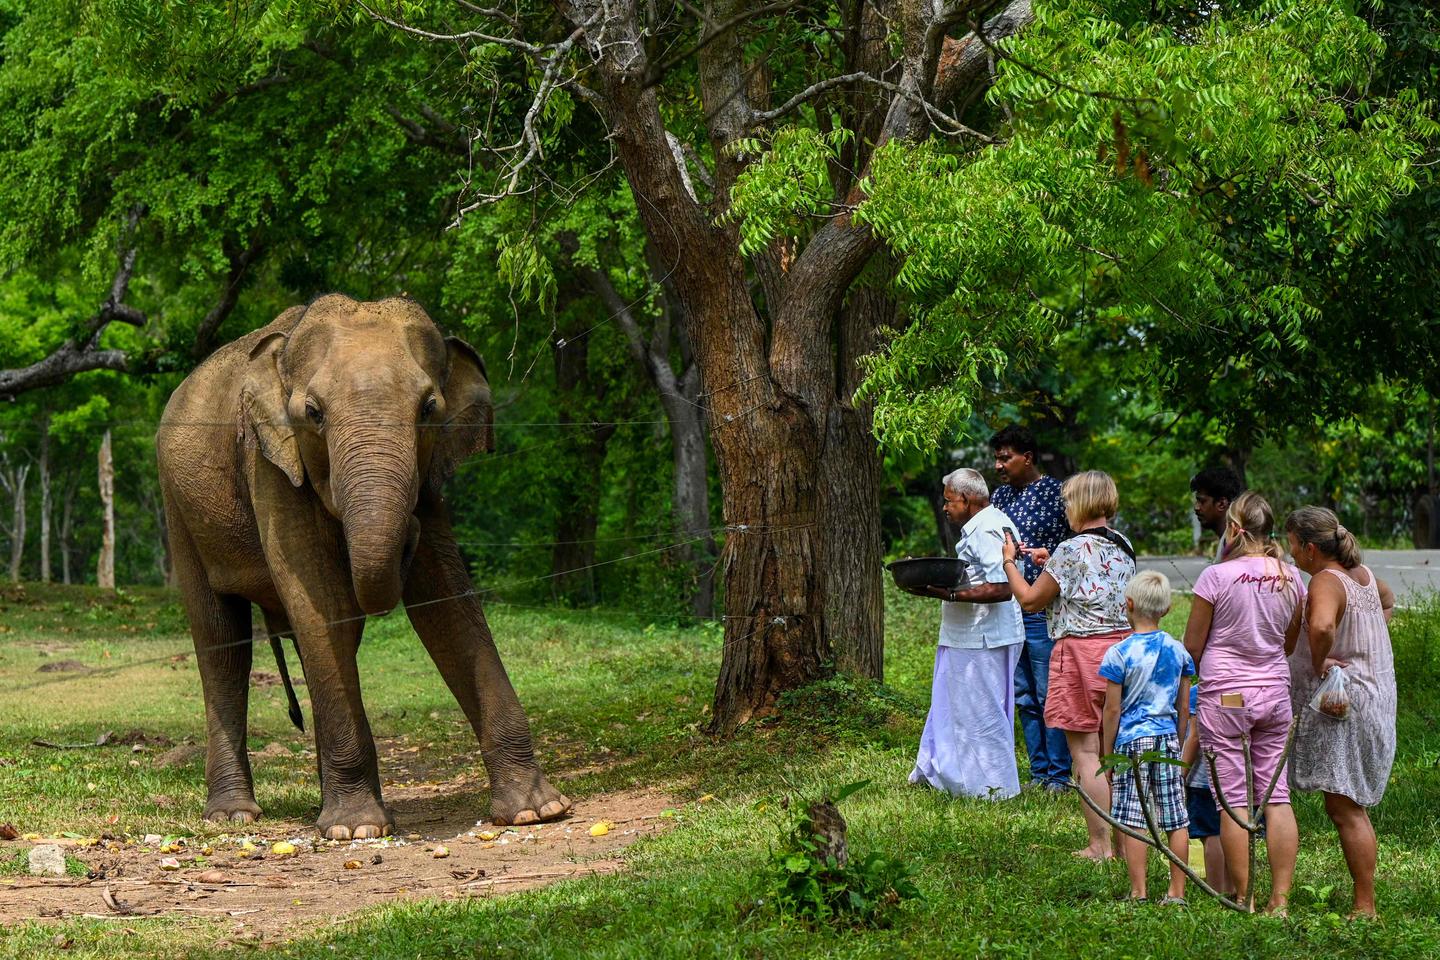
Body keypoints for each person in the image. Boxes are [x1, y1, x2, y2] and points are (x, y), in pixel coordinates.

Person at [1002, 470, 1136, 859]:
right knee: (1117, 752)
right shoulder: (1123, 544)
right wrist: (1051, 562)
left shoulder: (1070, 550)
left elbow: (1030, 600)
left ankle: (1099, 844)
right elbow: (1095, 579)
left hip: (1080, 654)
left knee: (1086, 753)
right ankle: (1129, 844)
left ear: (1080, 503)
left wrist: (1011, 563)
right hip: (1122, 652)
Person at [1183, 491, 1303, 914]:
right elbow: (1288, 641)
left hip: (1226, 695)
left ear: (1234, 529)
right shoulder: (1292, 576)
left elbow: (1192, 645)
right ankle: (1281, 901)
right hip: (1274, 692)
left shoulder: (1216, 576)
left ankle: (1245, 898)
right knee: (1277, 796)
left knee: (1231, 799)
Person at [1285, 507, 1397, 919]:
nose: (1291, 553)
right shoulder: (1362, 575)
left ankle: (1364, 905)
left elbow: (1321, 628)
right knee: (1348, 806)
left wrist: (1319, 664)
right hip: (1374, 697)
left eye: (1293, 545)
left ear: (1311, 548)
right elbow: (1388, 600)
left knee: (1346, 809)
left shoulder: (1325, 581)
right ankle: (1364, 901)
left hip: (1346, 706)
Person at [907, 469, 1025, 800]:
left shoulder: (987, 527)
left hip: (983, 638)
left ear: (966, 499)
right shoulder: (987, 523)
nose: (945, 508)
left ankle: (992, 788)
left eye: (948, 501)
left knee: (981, 712)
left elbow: (1002, 587)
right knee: (955, 706)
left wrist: (952, 596)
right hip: (970, 636)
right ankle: (948, 774)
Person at [1100, 571, 1194, 904]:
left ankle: (1138, 891)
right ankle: (1176, 892)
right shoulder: (1179, 652)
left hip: (1130, 743)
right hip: (1167, 739)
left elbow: (1111, 711)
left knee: (1132, 817)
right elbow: (1184, 706)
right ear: (1167, 609)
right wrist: (1180, 743)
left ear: (1128, 605)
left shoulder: (1118, 654)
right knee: (1175, 817)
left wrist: (1107, 755)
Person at [989, 425, 1072, 793]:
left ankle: (1059, 775)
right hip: (1009, 606)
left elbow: (1074, 549)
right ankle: (1039, 772)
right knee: (1022, 692)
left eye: (1005, 458)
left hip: (1042, 607)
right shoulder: (1000, 497)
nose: (999, 465)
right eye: (996, 458)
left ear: (1028, 457)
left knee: (1047, 690)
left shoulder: (1057, 494)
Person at [1181, 683, 1232, 897]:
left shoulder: (1200, 691)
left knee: (1210, 834)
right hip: (1233, 776)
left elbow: (1194, 737)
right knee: (1230, 830)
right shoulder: (1240, 687)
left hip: (1203, 777)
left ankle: (1216, 888)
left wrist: (1181, 773)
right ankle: (1233, 885)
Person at [1191, 467, 1244, 562]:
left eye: (1202, 501)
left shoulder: (1236, 547)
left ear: (1221, 504)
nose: (1196, 507)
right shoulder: (1231, 540)